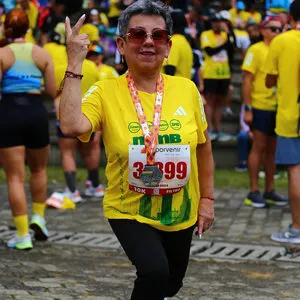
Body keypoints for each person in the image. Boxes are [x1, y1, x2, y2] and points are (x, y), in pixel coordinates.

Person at [59, 0, 215, 298]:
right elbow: (71, 126)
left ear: (168, 46)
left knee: (170, 283)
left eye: (157, 36)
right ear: (121, 43)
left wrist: (207, 199)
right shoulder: (105, 91)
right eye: (137, 34)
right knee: (154, 272)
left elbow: (203, 148)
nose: (147, 42)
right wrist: (75, 60)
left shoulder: (187, 89)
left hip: (179, 210)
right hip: (128, 207)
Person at [0, 8, 56, 250]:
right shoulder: (41, 54)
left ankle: (23, 235)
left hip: (10, 112)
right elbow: (52, 91)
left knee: (14, 177)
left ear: (6, 28)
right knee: (40, 169)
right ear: (28, 27)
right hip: (36, 112)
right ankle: (39, 218)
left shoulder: (2, 54)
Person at [242, 16, 288, 208]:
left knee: (272, 151)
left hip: (276, 106)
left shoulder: (279, 49)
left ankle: (269, 190)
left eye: (279, 29)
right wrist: (248, 108)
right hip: (260, 105)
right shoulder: (255, 50)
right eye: (272, 29)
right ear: (263, 30)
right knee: (258, 148)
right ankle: (253, 191)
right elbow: (246, 80)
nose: (276, 32)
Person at [265, 0, 300, 243]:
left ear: (289, 16)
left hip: (290, 116)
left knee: (295, 171)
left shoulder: (281, 41)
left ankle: (297, 228)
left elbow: (269, 80)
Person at [200, 13, 235, 141]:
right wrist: (223, 46)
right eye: (214, 21)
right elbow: (209, 51)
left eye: (219, 22)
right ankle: (209, 130)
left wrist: (229, 33)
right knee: (210, 102)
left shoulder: (225, 35)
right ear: (211, 23)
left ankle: (218, 129)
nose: (217, 24)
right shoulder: (206, 34)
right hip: (211, 73)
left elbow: (232, 49)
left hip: (224, 73)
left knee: (220, 102)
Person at [164, 9, 193, 79]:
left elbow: (170, 70)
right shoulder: (185, 43)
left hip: (173, 88)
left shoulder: (174, 42)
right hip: (184, 87)